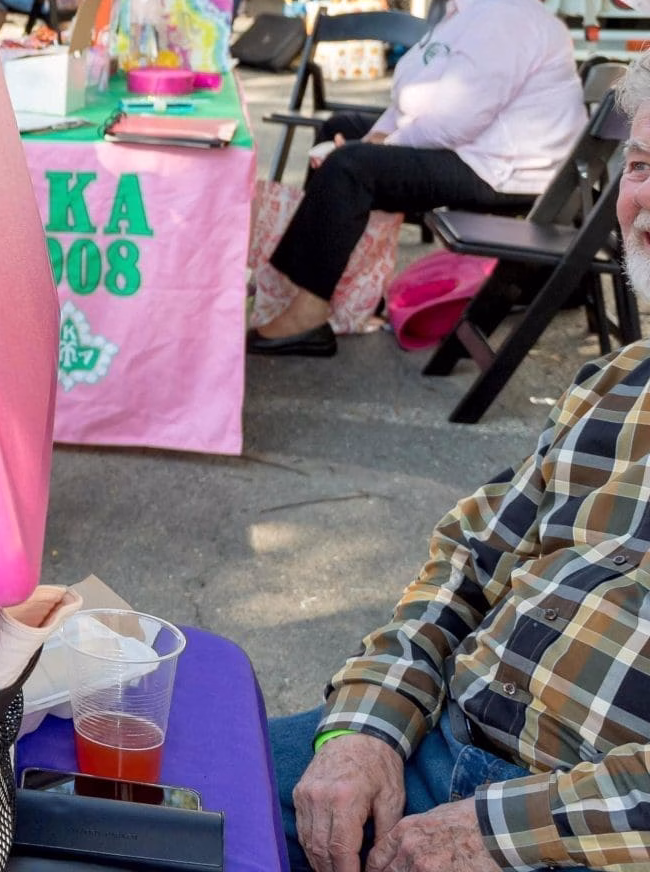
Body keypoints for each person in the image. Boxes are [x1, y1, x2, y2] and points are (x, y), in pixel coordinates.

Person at [274, 53, 650, 871]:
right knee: (126, 795)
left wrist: (496, 833)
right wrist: (366, 728)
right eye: (645, 164)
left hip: (585, 835)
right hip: (434, 739)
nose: (645, 198)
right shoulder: (620, 382)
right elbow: (467, 563)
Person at [251, 0, 584, 357]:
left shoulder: (505, 19)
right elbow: (415, 94)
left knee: (351, 166)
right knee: (341, 128)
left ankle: (309, 311)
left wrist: (385, 142)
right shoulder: (471, 8)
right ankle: (337, 286)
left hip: (505, 171)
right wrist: (380, 134)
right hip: (478, 152)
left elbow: (457, 120)